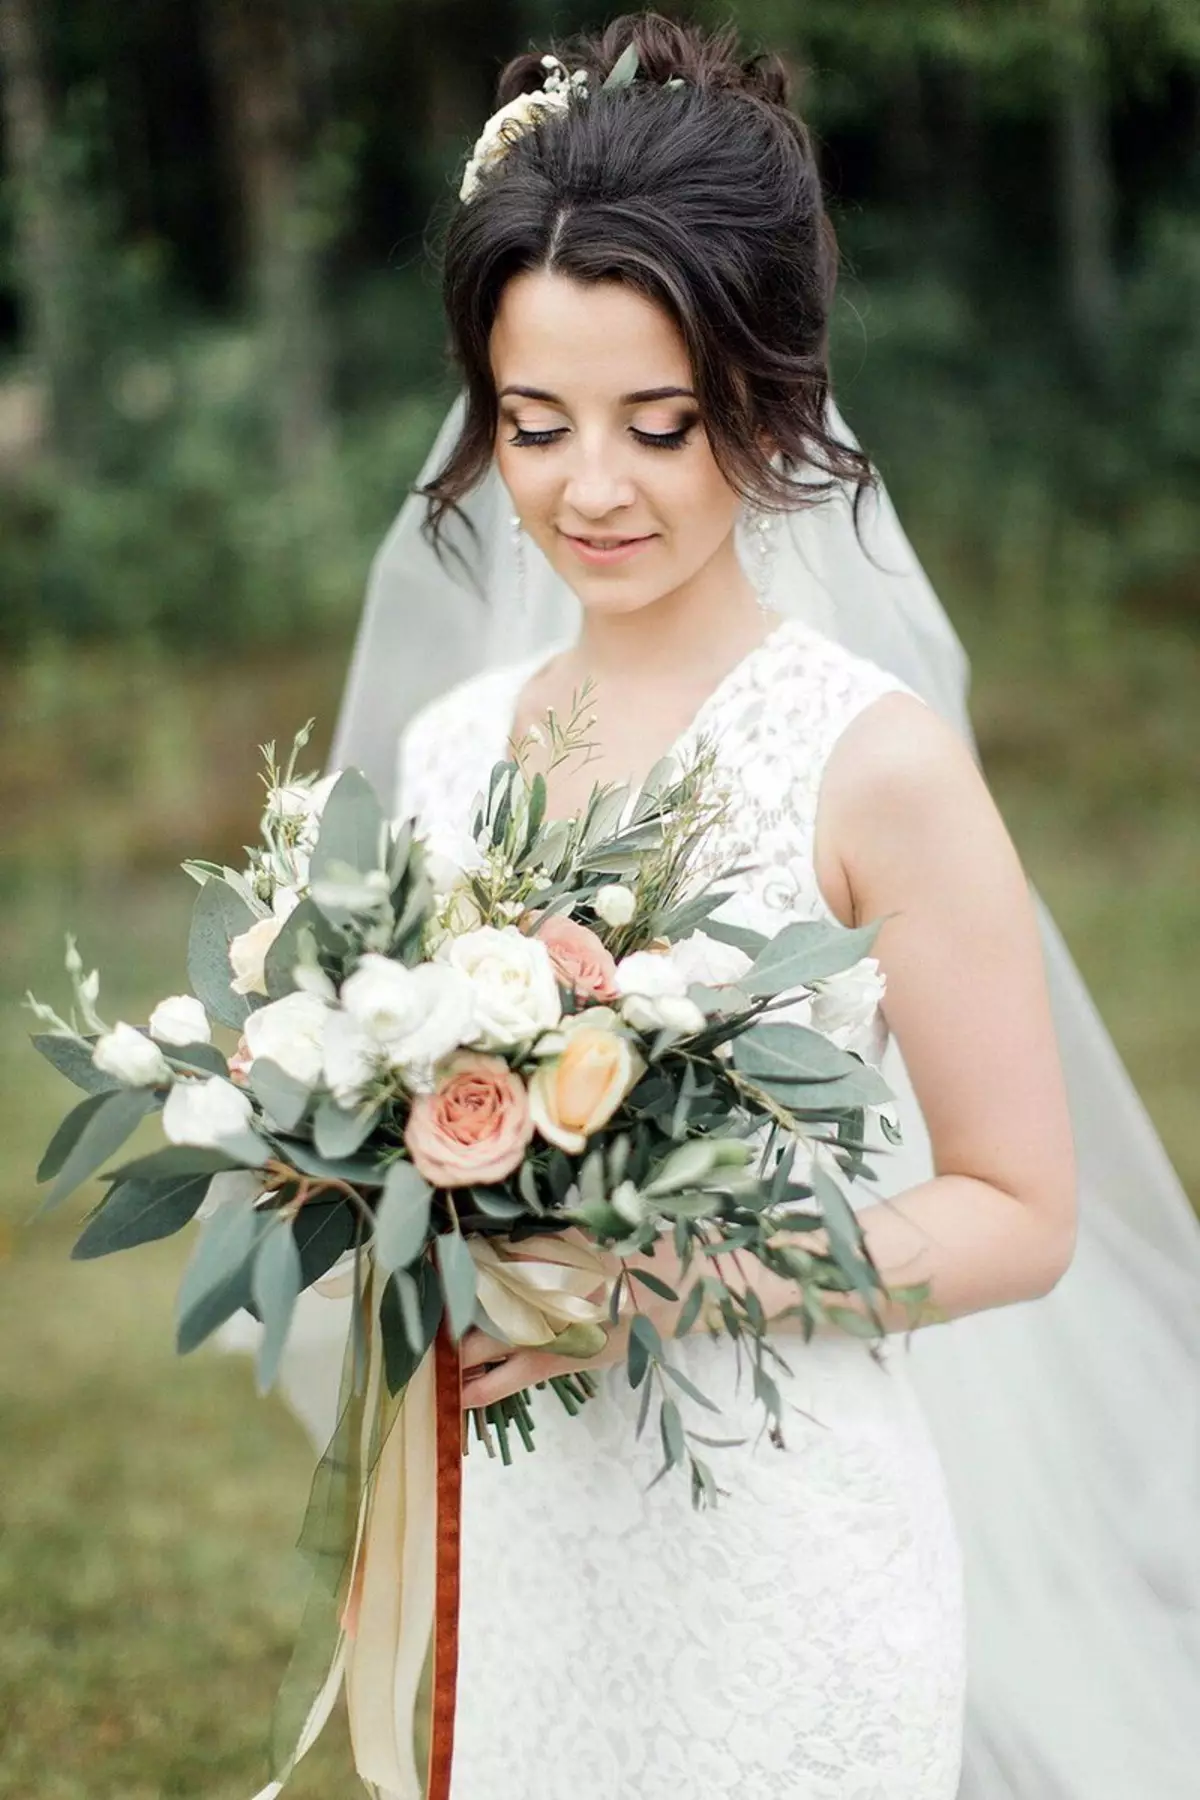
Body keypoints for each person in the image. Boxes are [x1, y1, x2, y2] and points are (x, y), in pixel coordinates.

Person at [256, 13, 1200, 1798]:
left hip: (791, 1556)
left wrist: (664, 1272)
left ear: (764, 398)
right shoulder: (456, 752)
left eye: (659, 423)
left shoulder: (873, 763)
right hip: (532, 1534)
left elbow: (1019, 1212)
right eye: (532, 425)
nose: (587, 488)